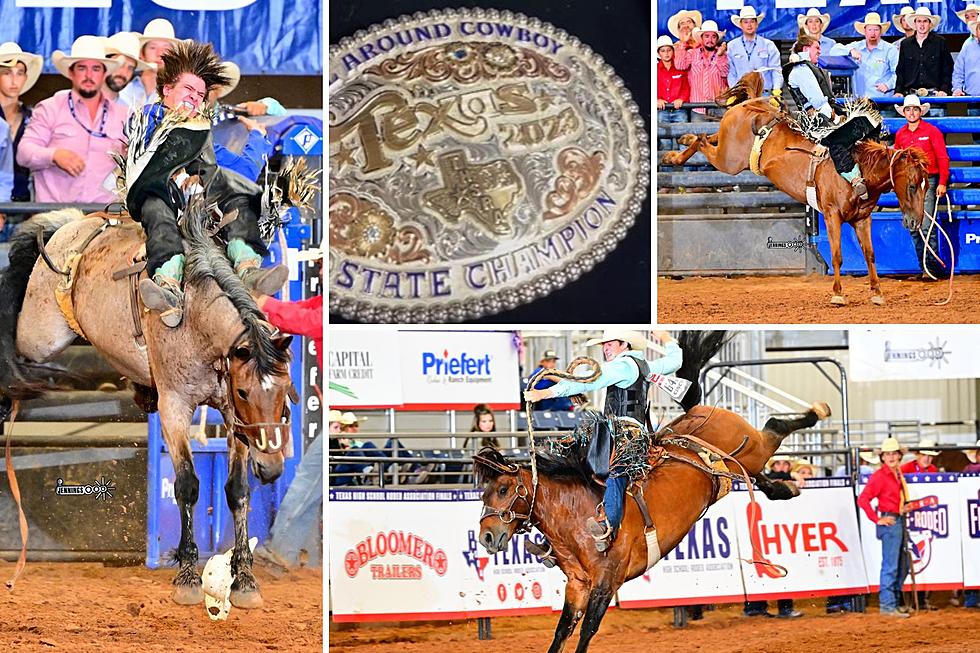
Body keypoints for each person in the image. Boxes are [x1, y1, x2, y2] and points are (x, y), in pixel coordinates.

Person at [126, 41, 287, 328]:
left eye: (200, 94)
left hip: (196, 201)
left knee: (240, 191)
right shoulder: (148, 118)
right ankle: (167, 282)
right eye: (188, 90)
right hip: (157, 194)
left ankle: (248, 268)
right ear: (167, 90)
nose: (195, 98)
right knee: (158, 206)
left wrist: (258, 134)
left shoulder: (202, 128)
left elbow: (228, 171)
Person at [523, 330, 682, 554]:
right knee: (594, 471)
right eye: (604, 344)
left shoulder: (622, 366)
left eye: (609, 344)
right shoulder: (645, 366)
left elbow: (589, 381)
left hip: (621, 434)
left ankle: (606, 526)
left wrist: (546, 393)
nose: (605, 348)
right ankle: (559, 541)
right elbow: (675, 361)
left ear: (624, 344)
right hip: (626, 432)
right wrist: (666, 338)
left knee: (607, 470)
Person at [17, 36, 128, 204]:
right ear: (71, 72)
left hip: (104, 218)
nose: (89, 75)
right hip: (54, 218)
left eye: (96, 69)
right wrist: (54, 155)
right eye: (82, 68)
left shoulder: (123, 116)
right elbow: (23, 153)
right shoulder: (50, 108)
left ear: (104, 74)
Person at [784, 36, 871, 198]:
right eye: (816, 48)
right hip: (815, 119)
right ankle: (853, 177)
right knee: (838, 138)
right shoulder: (801, 69)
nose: (820, 51)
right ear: (805, 49)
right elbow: (817, 101)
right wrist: (836, 119)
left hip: (822, 111)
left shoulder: (807, 68)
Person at [893, 94, 950, 280]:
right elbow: (896, 161)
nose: (911, 112)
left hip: (928, 182)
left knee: (926, 225)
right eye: (908, 109)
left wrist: (942, 182)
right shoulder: (901, 134)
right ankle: (925, 267)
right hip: (909, 186)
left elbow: (942, 157)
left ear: (920, 111)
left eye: (914, 109)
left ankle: (931, 268)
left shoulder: (931, 131)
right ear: (904, 112)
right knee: (913, 226)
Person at [857, 437, 911, 618]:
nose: (891, 457)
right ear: (883, 457)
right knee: (891, 565)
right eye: (888, 454)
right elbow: (862, 499)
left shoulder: (896, 474)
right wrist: (877, 519)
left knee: (901, 564)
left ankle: (892, 602)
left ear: (898, 456)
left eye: (894, 453)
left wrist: (901, 508)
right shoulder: (880, 476)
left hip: (897, 519)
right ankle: (888, 605)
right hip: (891, 522)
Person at [744, 455, 802, 618]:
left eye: (785, 464)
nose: (782, 467)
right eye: (778, 463)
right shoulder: (765, 480)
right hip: (763, 529)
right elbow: (773, 481)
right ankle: (757, 607)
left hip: (778, 531)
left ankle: (771, 608)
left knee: (776, 565)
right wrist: (791, 477)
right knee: (758, 567)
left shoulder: (764, 479)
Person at [209, 61, 275, 182]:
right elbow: (246, 172)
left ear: (219, 88)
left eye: (210, 85)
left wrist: (266, 105)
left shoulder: (228, 115)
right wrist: (257, 135)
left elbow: (280, 116)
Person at [0, 42, 42, 202]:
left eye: (20, 73)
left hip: (24, 203)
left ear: (25, 77)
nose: (14, 80)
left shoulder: (34, 118)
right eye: (7, 73)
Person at [119, 18, 182, 108]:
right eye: (153, 47)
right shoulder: (124, 90)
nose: (159, 54)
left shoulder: (177, 95)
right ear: (142, 54)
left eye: (166, 49)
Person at [677, 20, 729, 122]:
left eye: (713, 36)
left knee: (720, 137)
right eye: (707, 36)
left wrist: (720, 56)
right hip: (698, 108)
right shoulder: (692, 53)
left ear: (717, 39)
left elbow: (725, 73)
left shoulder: (723, 54)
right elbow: (680, 65)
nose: (710, 39)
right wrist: (683, 43)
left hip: (719, 107)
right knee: (698, 137)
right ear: (701, 38)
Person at [895, 8, 953, 97]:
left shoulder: (940, 42)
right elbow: (900, 70)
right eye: (919, 21)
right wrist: (898, 91)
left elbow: (947, 68)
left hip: (936, 95)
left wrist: (944, 89)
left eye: (925, 21)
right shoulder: (905, 44)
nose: (922, 25)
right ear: (915, 24)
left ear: (930, 24)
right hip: (911, 95)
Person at [727, 6, 781, 94]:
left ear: (756, 24)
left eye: (752, 21)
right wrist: (734, 92)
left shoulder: (769, 45)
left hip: (764, 93)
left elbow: (776, 70)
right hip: (741, 94)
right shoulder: (732, 46)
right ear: (741, 25)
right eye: (745, 22)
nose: (749, 25)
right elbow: (731, 73)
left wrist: (776, 90)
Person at [850, 13, 898, 98]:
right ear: (865, 31)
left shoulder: (890, 49)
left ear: (880, 31)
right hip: (860, 100)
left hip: (883, 100)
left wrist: (888, 85)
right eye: (870, 30)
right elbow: (834, 50)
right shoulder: (856, 46)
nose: (873, 33)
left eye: (876, 30)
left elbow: (898, 73)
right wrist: (851, 50)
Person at [102, 32, 152, 107]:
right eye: (120, 64)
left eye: (130, 68)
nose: (124, 73)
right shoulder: (80, 104)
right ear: (105, 62)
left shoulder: (129, 114)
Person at [657, 35, 689, 153]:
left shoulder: (680, 68)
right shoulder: (654, 69)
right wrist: (656, 99)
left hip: (679, 109)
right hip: (662, 110)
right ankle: (666, 171)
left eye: (669, 50)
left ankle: (685, 171)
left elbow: (686, 87)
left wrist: (682, 98)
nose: (666, 53)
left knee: (683, 143)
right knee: (665, 144)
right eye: (663, 50)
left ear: (673, 51)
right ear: (659, 53)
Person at [953, 21, 980, 103]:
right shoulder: (968, 47)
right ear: (976, 31)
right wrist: (957, 89)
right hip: (972, 98)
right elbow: (958, 71)